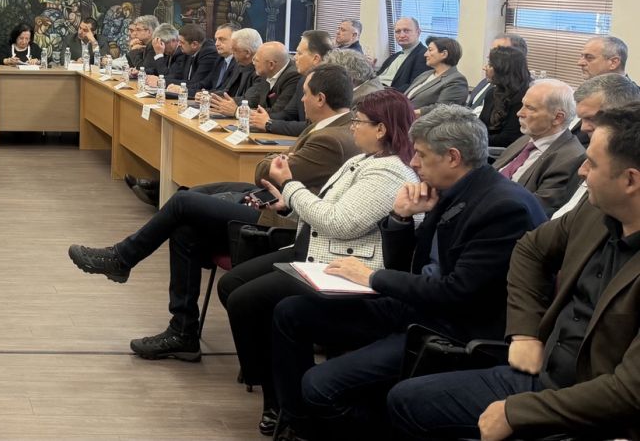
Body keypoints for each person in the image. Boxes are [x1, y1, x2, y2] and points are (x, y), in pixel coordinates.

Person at [269, 105, 547, 438]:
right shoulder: (452, 189)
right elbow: (410, 267)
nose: (413, 163)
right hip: (418, 307)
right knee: (292, 312)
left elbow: (456, 292)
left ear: (453, 157)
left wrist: (372, 277)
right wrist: (401, 218)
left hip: (449, 329)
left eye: (422, 155)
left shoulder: (504, 208)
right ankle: (298, 424)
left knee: (320, 386)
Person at [385, 101, 640, 441]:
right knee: (407, 398)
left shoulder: (581, 208)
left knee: (408, 399)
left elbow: (629, 391)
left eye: (591, 163)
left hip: (595, 408)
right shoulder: (595, 213)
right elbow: (530, 249)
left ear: (630, 180)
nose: (581, 171)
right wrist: (524, 332)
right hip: (541, 370)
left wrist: (516, 412)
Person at [67, 66, 359, 362]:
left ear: (321, 99)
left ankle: (122, 258)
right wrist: (277, 162)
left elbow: (266, 171)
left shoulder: (331, 139)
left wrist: (276, 162)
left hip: (282, 221)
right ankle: (182, 332)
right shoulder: (328, 127)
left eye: (305, 94)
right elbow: (273, 167)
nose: (302, 100)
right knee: (186, 222)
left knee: (183, 203)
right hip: (274, 200)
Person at [219, 89, 419, 433]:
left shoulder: (389, 173)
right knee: (233, 286)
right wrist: (288, 203)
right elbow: (328, 207)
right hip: (317, 248)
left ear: (382, 129)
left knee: (248, 302)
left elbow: (339, 222)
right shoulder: (367, 159)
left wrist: (290, 185)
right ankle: (273, 385)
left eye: (359, 121)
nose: (352, 127)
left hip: (339, 262)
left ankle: (279, 400)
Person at [489, 78, 587, 217]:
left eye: (530, 108)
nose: (519, 113)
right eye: (523, 105)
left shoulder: (571, 158)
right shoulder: (528, 138)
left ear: (558, 118)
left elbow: (536, 210)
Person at [553, 74, 640, 217]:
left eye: (590, 118)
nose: (583, 128)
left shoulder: (619, 185)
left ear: (621, 115)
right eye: (582, 119)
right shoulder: (586, 156)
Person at [255, 30, 332, 136]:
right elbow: (288, 113)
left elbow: (313, 126)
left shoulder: (329, 84)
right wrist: (256, 118)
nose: (295, 57)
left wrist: (269, 124)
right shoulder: (303, 80)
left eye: (299, 53)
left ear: (316, 59)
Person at [211, 40, 298, 121]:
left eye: (256, 60)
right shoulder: (266, 72)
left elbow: (278, 113)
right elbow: (256, 102)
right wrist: (220, 102)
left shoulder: (293, 76)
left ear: (271, 65)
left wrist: (238, 111)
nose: (253, 63)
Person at [403, 35, 469, 114]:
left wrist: (408, 113)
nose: (425, 54)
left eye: (430, 50)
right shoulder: (426, 74)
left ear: (444, 54)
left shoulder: (457, 80)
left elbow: (443, 110)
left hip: (421, 120)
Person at [480, 45, 530, 146]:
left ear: (503, 70)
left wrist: (473, 140)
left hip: (497, 151)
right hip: (481, 145)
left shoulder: (523, 99)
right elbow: (479, 126)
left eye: (490, 65)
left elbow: (507, 139)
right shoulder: (491, 93)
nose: (484, 68)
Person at [467, 34, 528, 110]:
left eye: (498, 50)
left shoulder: (524, 94)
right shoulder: (486, 81)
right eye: (492, 50)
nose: (490, 55)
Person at [376, 17, 428, 92]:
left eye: (406, 31)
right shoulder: (394, 56)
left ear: (418, 32)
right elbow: (378, 75)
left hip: (388, 94)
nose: (402, 35)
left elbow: (414, 86)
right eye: (398, 31)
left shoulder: (424, 55)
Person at [167, 23, 220, 97]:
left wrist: (163, 82)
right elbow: (177, 74)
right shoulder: (188, 51)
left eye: (182, 42)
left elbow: (196, 82)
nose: (179, 45)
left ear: (194, 44)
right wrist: (161, 80)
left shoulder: (209, 53)